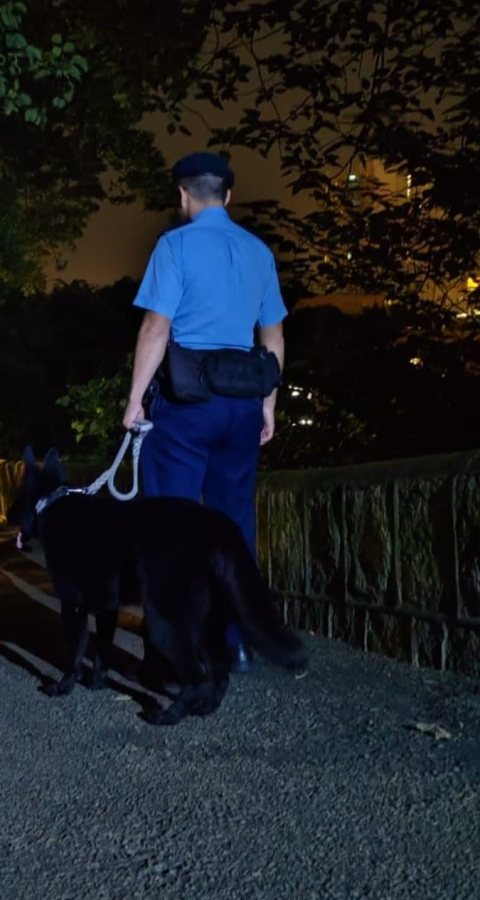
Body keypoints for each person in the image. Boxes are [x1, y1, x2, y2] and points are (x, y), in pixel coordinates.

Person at [121, 151, 286, 672]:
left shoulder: (175, 246)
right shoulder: (259, 252)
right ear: (229, 196)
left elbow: (156, 328)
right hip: (240, 405)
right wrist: (268, 406)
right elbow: (274, 337)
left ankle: (174, 646)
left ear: (184, 196)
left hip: (187, 405)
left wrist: (132, 401)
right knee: (232, 527)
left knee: (170, 525)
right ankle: (234, 642)